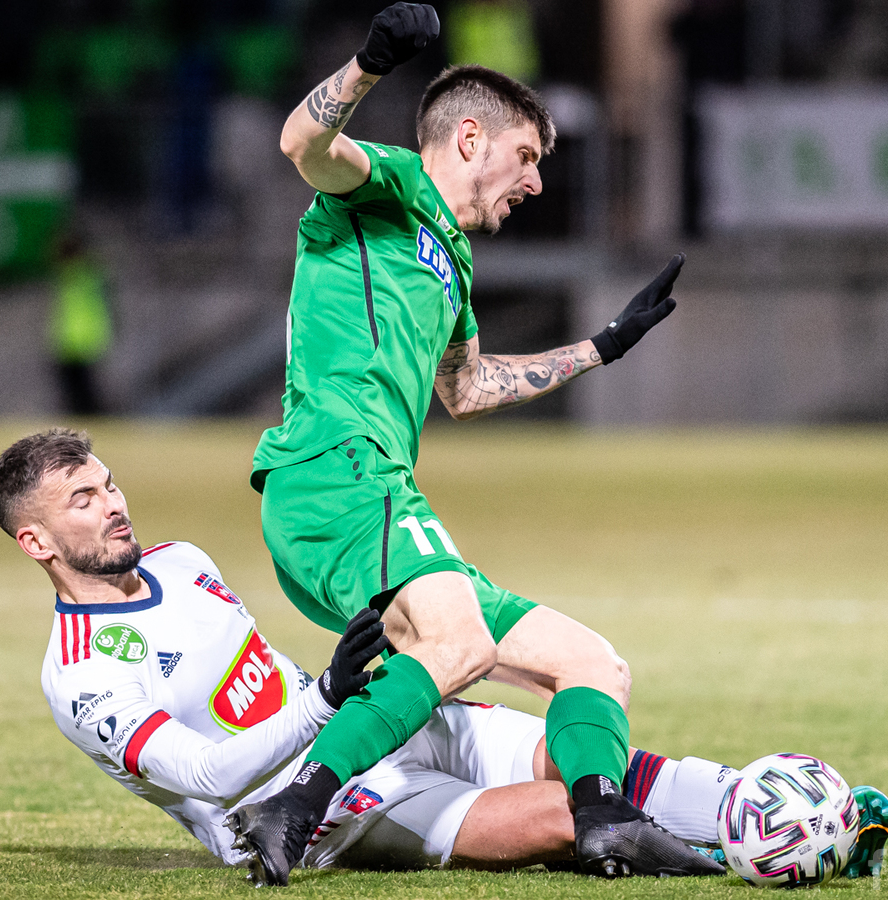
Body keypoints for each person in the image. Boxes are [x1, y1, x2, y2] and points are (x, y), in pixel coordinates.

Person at [0, 429, 888, 876]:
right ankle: (762, 850)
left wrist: (340, 692)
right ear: (36, 541)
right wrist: (321, 700)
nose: (114, 505)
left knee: (586, 764)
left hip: (358, 722)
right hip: (311, 814)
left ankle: (775, 810)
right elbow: (208, 774)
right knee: (557, 818)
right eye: (82, 500)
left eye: (109, 484)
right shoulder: (81, 677)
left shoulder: (182, 561)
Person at [236, 3, 697, 885]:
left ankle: (605, 820)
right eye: (527, 155)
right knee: (458, 646)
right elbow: (303, 144)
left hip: (377, 490)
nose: (535, 181)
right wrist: (370, 63)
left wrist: (602, 347)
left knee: (590, 664)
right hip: (336, 472)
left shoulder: (451, 254)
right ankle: (294, 805)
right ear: (472, 138)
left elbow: (468, 387)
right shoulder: (390, 186)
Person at [50, 231, 113, 416]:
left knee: (82, 392)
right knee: (78, 391)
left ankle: (93, 418)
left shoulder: (80, 275)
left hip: (79, 341)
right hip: (75, 341)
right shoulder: (80, 275)